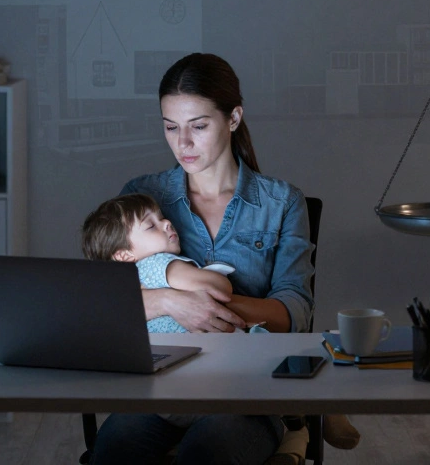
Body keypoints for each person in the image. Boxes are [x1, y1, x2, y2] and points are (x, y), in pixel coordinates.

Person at [88, 53, 355, 464]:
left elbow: (295, 310)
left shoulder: (282, 202)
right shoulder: (143, 196)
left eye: (198, 126)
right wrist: (172, 302)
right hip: (162, 389)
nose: (183, 144)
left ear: (233, 118)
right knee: (115, 449)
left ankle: (295, 420)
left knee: (209, 451)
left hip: (246, 392)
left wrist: (206, 309)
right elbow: (102, 298)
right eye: (170, 127)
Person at [81, 192, 240, 336]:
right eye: (151, 226)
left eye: (162, 217)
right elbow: (219, 289)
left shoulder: (121, 286)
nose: (166, 223)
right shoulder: (157, 263)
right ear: (124, 255)